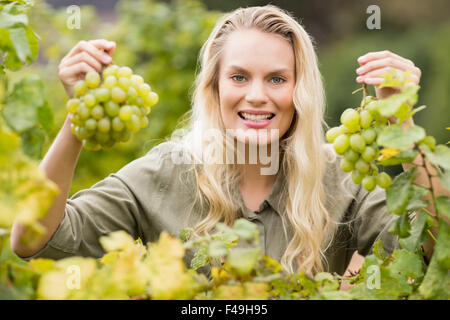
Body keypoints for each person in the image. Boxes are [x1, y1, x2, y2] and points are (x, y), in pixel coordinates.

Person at [11, 5, 429, 279]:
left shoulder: (338, 179)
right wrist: (78, 120)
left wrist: (403, 125)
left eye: (277, 79)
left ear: (299, 91)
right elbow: (33, 240)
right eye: (239, 77)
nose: (257, 95)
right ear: (214, 87)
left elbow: (431, 247)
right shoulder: (166, 172)